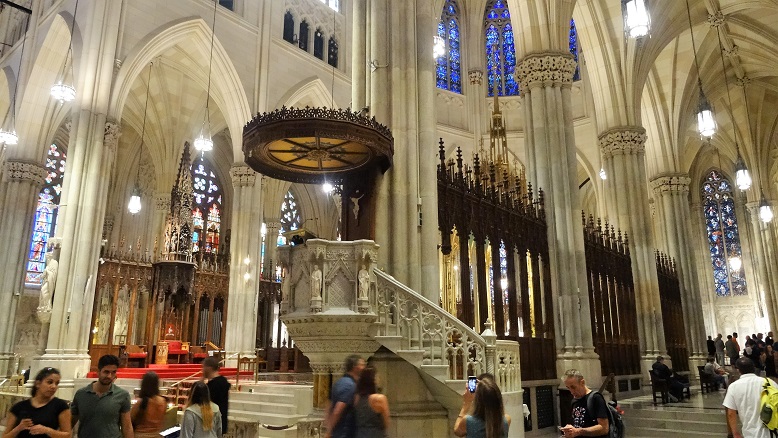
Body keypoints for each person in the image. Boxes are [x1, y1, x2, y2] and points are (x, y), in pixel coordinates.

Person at [71, 354, 132, 438]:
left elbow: (127, 427)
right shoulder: (81, 394)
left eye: (113, 372)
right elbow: (70, 423)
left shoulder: (122, 395)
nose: (109, 376)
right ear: (98, 372)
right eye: (106, 372)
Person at [3, 367, 71, 438]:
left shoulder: (60, 406)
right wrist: (19, 428)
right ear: (38, 384)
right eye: (49, 382)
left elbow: (67, 435)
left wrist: (47, 430)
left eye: (57, 383)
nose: (54, 386)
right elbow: (5, 436)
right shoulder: (19, 407)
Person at [724, 357, 778, 438]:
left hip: (750, 433)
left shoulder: (734, 387)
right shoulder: (769, 382)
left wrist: (735, 433)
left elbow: (731, 413)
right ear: (753, 368)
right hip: (772, 431)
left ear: (738, 370)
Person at [326, 354, 365, 438]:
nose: (364, 368)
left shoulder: (339, 382)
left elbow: (329, 407)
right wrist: (329, 431)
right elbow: (338, 410)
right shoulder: (350, 385)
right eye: (362, 365)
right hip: (345, 433)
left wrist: (328, 427)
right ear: (355, 367)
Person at [354, 367, 389, 438]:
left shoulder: (356, 398)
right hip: (376, 434)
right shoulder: (380, 399)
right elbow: (386, 422)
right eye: (377, 377)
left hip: (360, 434)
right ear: (373, 380)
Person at [131, 371, 166, 437]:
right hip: (156, 435)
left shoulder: (140, 402)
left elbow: (130, 419)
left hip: (141, 435)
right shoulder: (163, 401)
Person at [202, 357, 230, 435]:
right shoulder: (224, 381)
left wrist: (202, 379)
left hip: (211, 423)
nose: (202, 370)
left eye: (204, 367)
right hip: (222, 421)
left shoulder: (211, 386)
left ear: (209, 368)